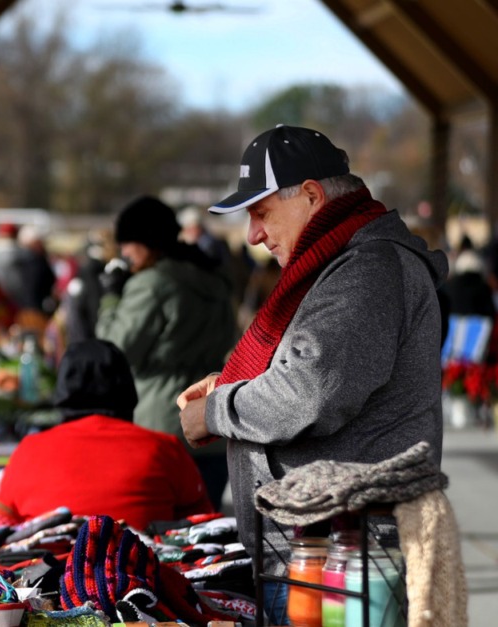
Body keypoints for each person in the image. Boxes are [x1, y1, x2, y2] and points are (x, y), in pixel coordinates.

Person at [176, 125, 448, 621]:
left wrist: (215, 411)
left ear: (310, 196)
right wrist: (230, 385)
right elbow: (311, 366)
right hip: (325, 553)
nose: (254, 235)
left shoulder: (368, 270)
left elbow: (308, 390)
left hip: (345, 561)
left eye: (261, 213)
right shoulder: (341, 266)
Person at [95, 195, 237, 512]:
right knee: (205, 537)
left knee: (163, 539)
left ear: (148, 242)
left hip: (159, 423)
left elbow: (113, 351)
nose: (125, 253)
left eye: (128, 243)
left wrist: (109, 300)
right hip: (210, 420)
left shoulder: (152, 283)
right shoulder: (214, 279)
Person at [0, 339, 213, 532]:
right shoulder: (165, 449)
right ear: (128, 388)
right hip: (141, 574)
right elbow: (203, 528)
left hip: (40, 577)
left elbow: (2, 533)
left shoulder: (28, 450)